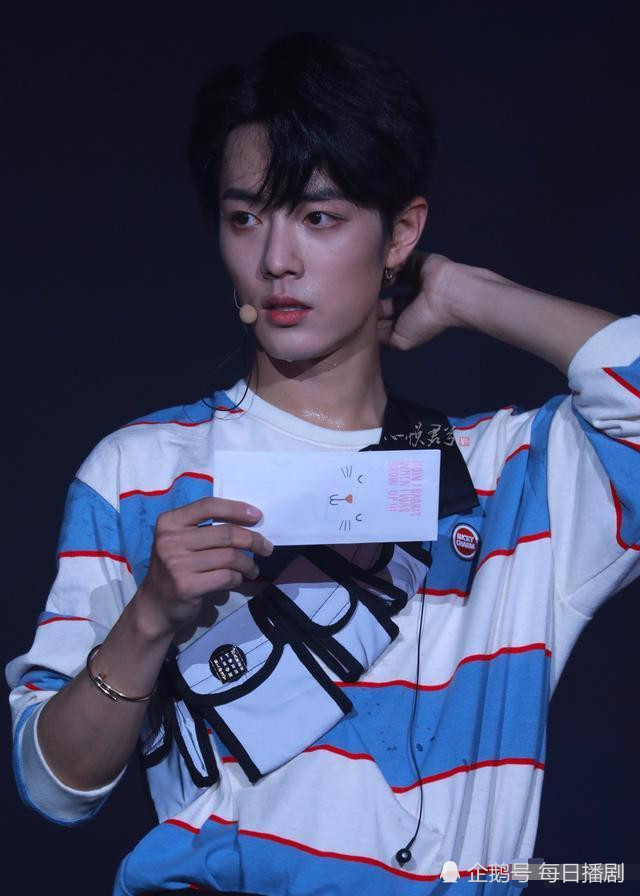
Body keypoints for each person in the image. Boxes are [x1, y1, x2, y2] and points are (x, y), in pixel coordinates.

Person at [6, 31, 640, 896]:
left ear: (400, 231)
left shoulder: (506, 479)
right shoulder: (143, 471)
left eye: (319, 218)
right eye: (245, 218)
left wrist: (466, 292)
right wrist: (149, 618)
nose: (277, 261)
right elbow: (53, 786)